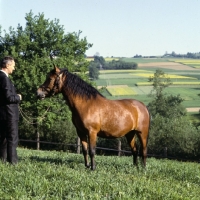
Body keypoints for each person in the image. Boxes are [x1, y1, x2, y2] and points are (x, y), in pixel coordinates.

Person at [0, 56, 22, 164]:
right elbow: (9, 97)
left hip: (2, 114)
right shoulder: (4, 78)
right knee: (12, 139)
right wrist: (18, 97)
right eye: (13, 65)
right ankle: (13, 163)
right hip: (10, 114)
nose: (14, 68)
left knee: (3, 139)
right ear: (7, 65)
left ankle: (2, 160)